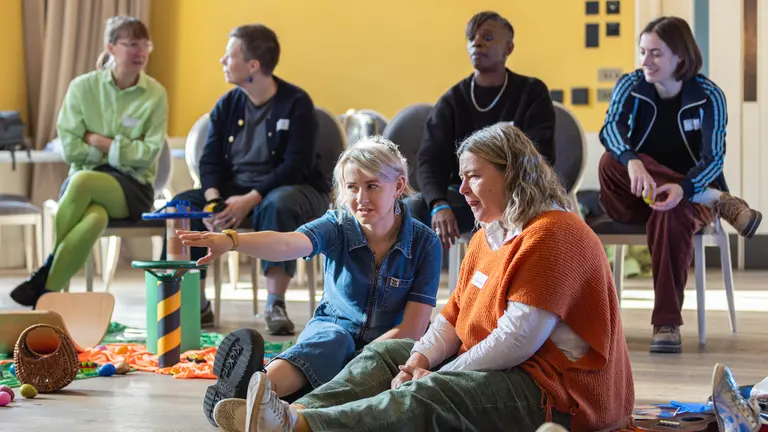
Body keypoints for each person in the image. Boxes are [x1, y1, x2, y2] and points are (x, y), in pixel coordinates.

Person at [225, 123, 635, 432]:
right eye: (461, 177)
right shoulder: (488, 236)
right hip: (515, 372)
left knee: (429, 393)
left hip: (560, 396)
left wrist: (435, 374)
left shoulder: (553, 233)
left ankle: (299, 428)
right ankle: (295, 413)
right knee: (386, 355)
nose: (462, 188)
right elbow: (453, 315)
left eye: (473, 175)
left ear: (510, 173)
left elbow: (515, 341)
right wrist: (418, 358)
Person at [177, 137, 442, 428]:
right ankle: (252, 395)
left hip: (387, 347)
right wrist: (232, 240)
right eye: (351, 187)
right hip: (333, 331)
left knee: (372, 367)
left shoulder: (425, 242)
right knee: (332, 340)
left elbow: (412, 329)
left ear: (399, 186)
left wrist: (357, 361)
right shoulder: (338, 224)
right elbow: (288, 243)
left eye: (372, 186)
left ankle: (279, 410)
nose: (361, 198)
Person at [598, 16, 762, 354]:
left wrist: (684, 191)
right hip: (630, 196)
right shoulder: (630, 85)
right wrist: (633, 161)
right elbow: (610, 130)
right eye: (643, 51)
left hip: (684, 201)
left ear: (680, 58)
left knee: (671, 214)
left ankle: (667, 324)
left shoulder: (709, 96)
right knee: (609, 159)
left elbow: (713, 159)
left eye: (656, 53)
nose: (645, 61)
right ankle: (716, 198)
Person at [166, 24, 330, 331]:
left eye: (229, 56)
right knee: (182, 207)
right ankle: (195, 303)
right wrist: (214, 201)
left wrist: (250, 199)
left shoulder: (296, 104)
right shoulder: (227, 105)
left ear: (253, 65)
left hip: (294, 189)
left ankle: (275, 304)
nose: (222, 62)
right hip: (234, 192)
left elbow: (296, 165)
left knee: (277, 204)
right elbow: (209, 160)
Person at [11, 16, 167, 307]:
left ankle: (46, 270)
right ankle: (48, 297)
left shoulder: (155, 94)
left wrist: (100, 142)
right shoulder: (82, 88)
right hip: (84, 185)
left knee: (83, 180)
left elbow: (148, 154)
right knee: (94, 218)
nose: (140, 51)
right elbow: (70, 149)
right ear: (110, 46)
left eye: (145, 44)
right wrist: (121, 150)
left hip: (134, 188)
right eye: (131, 44)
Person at [407, 10, 556, 248]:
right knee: (411, 210)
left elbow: (540, 154)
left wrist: (502, 192)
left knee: (544, 213)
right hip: (466, 197)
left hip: (515, 197)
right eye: (471, 38)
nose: (476, 42)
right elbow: (429, 160)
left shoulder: (531, 93)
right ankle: (410, 284)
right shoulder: (452, 100)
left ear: (508, 48)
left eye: (487, 38)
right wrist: (438, 203)